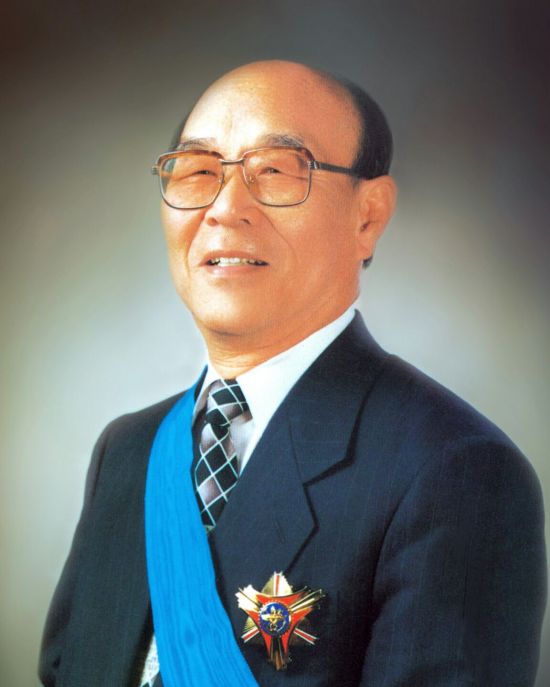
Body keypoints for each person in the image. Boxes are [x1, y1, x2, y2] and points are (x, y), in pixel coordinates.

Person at [39, 60, 546, 687]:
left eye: (276, 171)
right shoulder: (128, 452)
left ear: (368, 216)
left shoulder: (455, 472)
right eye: (198, 173)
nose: (225, 209)